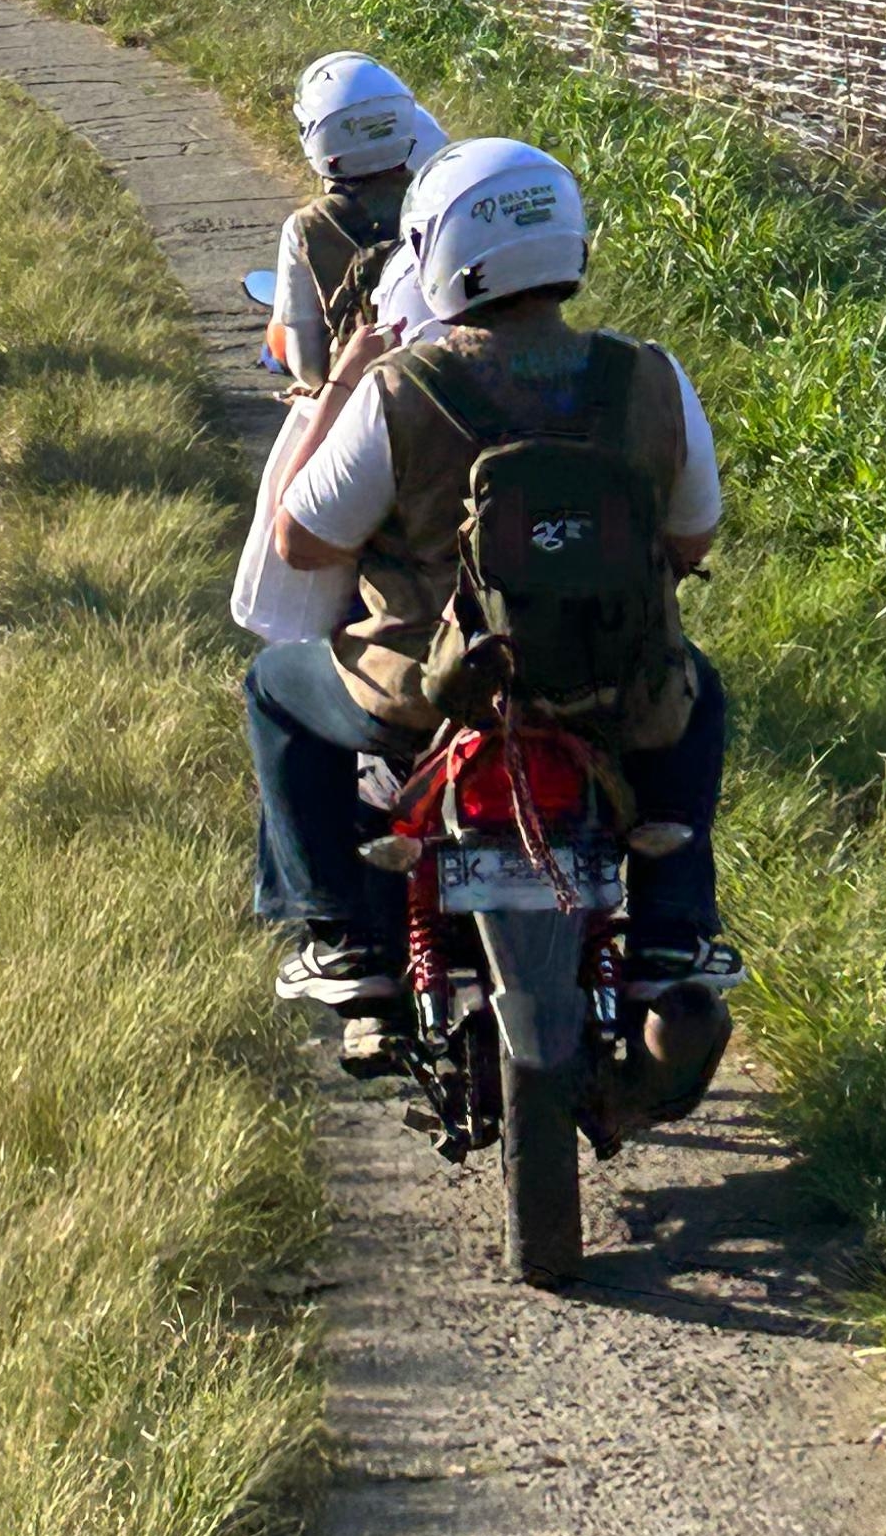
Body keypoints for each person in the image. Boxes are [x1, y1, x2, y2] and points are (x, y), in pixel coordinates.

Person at [239, 136, 738, 1051]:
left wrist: (340, 383)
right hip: (616, 686)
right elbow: (693, 536)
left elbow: (300, 540)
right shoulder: (652, 378)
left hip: (431, 688)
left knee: (275, 689)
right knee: (699, 690)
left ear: (436, 255)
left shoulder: (403, 389)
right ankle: (673, 927)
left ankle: (343, 936)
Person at [267, 53, 446, 396]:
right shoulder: (441, 198)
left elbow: (308, 367)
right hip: (453, 390)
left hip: (364, 399)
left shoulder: (307, 228)